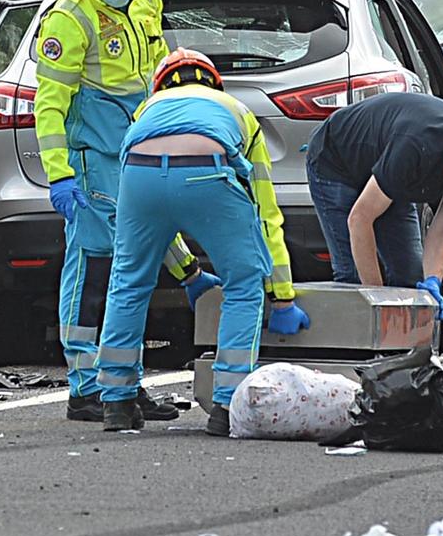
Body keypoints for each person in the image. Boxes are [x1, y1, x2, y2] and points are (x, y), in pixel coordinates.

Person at [31, 0, 199, 421]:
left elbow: (153, 72)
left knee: (132, 271)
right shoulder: (70, 17)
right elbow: (49, 106)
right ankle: (85, 385)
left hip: (135, 153)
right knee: (92, 273)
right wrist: (59, 175)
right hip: (90, 163)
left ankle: (124, 381)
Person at [94, 50, 310, 435]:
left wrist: (190, 275)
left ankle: (117, 401)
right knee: (243, 286)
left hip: (138, 172)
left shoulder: (146, 111)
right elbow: (264, 212)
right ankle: (228, 405)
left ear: (161, 85)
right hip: (208, 172)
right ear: (212, 82)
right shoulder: (236, 110)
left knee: (128, 283)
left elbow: (157, 225)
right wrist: (282, 294)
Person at [302, 94, 443, 321]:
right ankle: (355, 346)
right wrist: (377, 300)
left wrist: (432, 282)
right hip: (337, 163)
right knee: (352, 277)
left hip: (390, 178)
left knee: (410, 276)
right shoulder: (418, 144)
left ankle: (401, 348)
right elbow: (360, 219)